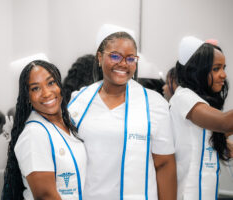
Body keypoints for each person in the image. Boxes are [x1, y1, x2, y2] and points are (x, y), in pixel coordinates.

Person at [68, 24, 176, 200]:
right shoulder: (79, 101)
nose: (123, 64)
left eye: (130, 59)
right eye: (115, 56)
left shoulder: (154, 105)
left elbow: (165, 164)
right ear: (99, 57)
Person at [2, 60, 87, 200]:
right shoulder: (34, 133)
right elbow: (45, 196)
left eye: (51, 83)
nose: (46, 93)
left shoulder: (67, 125)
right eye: (35, 88)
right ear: (27, 97)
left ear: (59, 85)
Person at [170, 36, 233, 199]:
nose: (223, 75)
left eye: (223, 68)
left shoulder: (203, 102)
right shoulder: (184, 97)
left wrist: (223, 143)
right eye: (216, 69)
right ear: (198, 71)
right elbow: (224, 123)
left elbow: (209, 136)